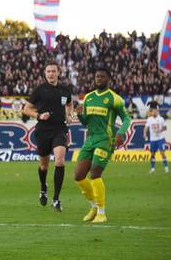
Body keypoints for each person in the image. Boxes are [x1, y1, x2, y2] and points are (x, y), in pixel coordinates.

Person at [74, 67, 131, 224]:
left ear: (108, 79)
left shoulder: (115, 98)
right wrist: (79, 114)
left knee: (95, 174)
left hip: (106, 139)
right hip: (90, 139)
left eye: (102, 76)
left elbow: (126, 118)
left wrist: (121, 132)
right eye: (97, 76)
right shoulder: (88, 97)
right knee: (78, 176)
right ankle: (93, 206)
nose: (99, 79)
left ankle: (101, 212)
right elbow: (86, 122)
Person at [23, 61, 74, 212]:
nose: (51, 74)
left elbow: (69, 104)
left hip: (59, 129)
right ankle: (43, 187)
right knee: (44, 165)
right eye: (48, 71)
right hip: (43, 130)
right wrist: (39, 115)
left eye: (53, 71)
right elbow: (26, 109)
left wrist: (70, 114)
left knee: (59, 161)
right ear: (45, 74)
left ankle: (56, 199)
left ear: (58, 73)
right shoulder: (40, 90)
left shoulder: (65, 90)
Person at [144, 102, 169, 173]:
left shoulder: (161, 119)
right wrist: (145, 134)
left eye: (155, 111)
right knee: (152, 154)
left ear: (157, 111)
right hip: (152, 140)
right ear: (151, 112)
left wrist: (160, 130)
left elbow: (165, 127)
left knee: (162, 153)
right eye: (153, 111)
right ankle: (152, 168)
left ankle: (166, 168)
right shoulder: (149, 119)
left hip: (160, 139)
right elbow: (146, 127)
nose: (154, 112)